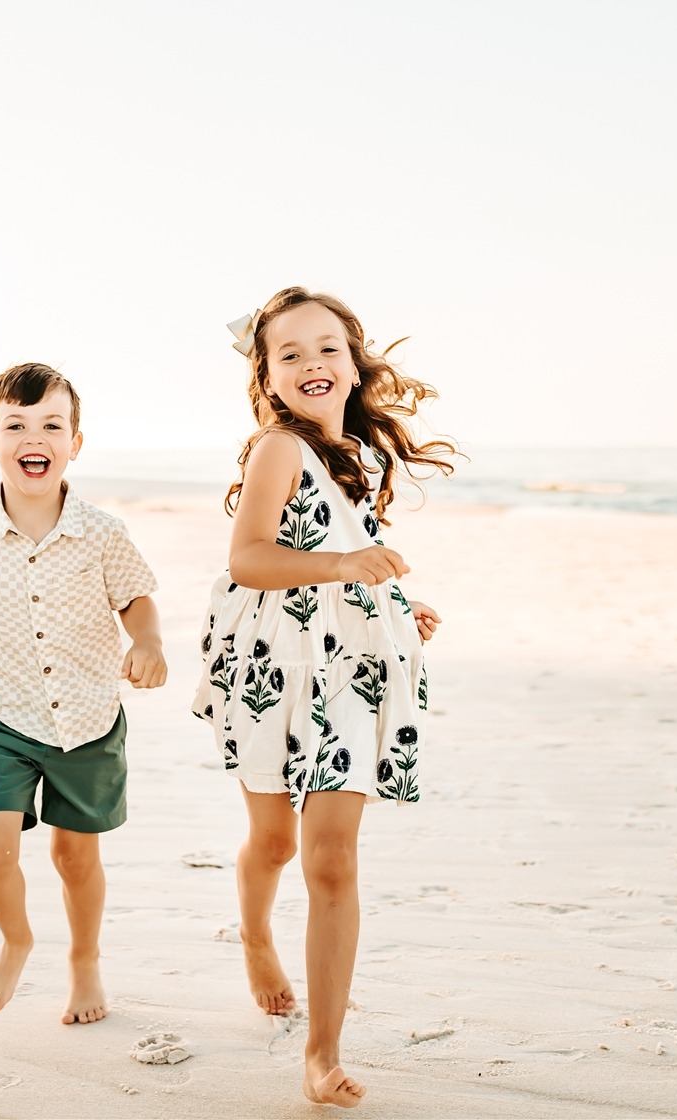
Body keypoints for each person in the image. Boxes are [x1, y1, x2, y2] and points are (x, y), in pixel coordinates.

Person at [192, 287, 456, 1107]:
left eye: (326, 349)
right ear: (267, 377)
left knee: (332, 857)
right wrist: (345, 571)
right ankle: (257, 933)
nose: (312, 364)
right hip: (272, 660)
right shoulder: (276, 448)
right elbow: (251, 559)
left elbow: (349, 542)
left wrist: (391, 606)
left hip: (352, 663)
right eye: (291, 354)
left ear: (353, 359)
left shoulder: (363, 456)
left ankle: (322, 1050)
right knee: (273, 843)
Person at [0, 362, 166, 1023]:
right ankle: (16, 939)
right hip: (2, 716)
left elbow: (135, 598)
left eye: (52, 424)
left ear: (75, 442)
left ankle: (85, 960)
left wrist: (147, 643)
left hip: (87, 718)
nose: (36, 436)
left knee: (74, 855)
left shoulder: (103, 532)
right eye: (17, 425)